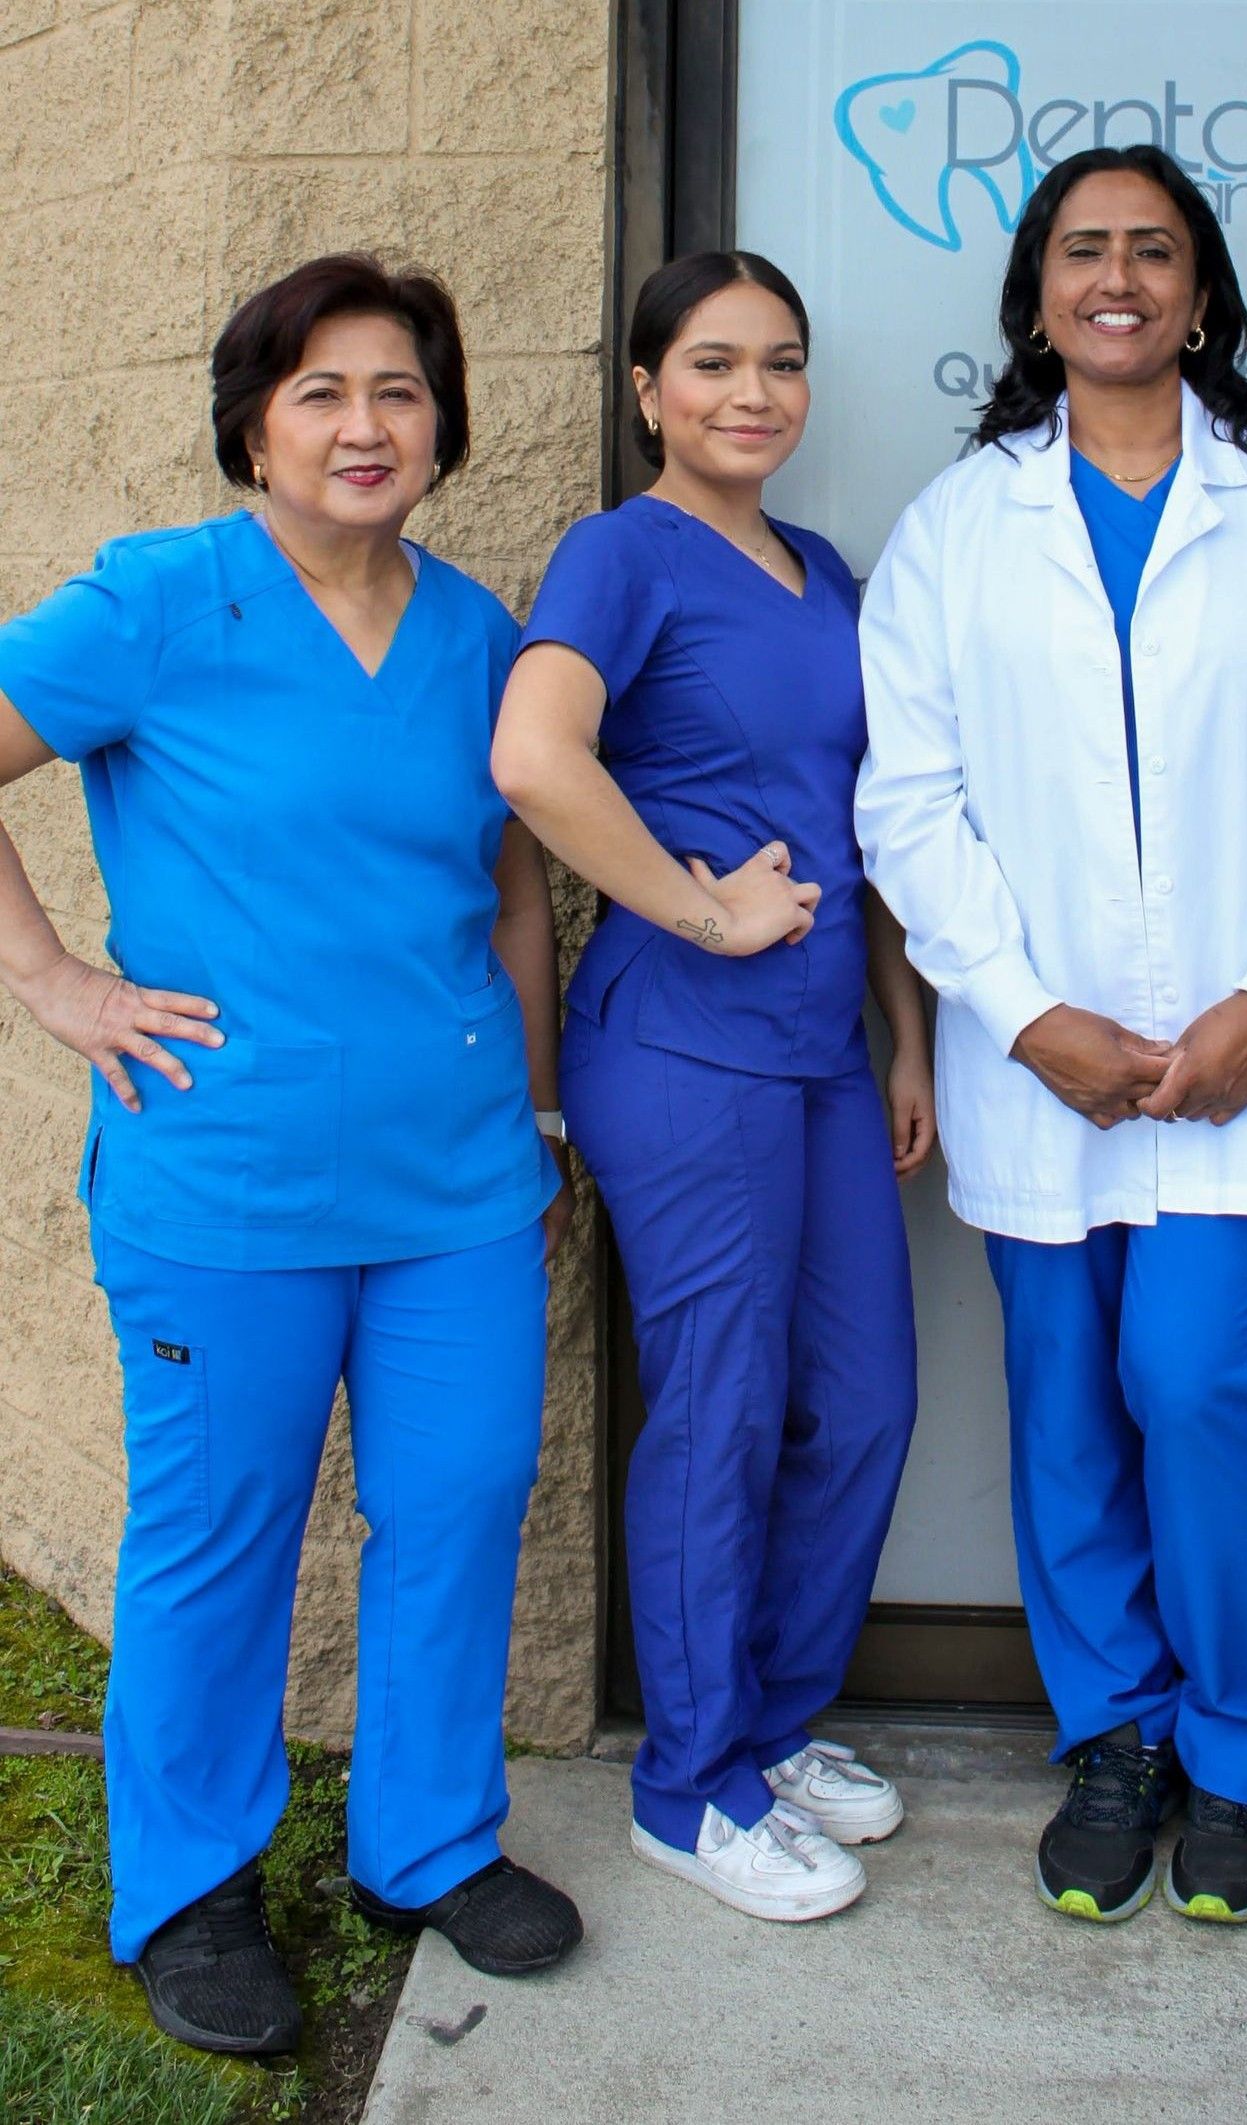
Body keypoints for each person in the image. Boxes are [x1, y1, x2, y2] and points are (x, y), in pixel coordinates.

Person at [0, 255, 584, 2056]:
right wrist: (54, 982)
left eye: (399, 391)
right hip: (225, 1179)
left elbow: (509, 887)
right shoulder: (160, 605)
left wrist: (541, 1106)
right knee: (220, 1531)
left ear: (443, 424)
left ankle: (426, 1841)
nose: (364, 424)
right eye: (323, 390)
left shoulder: (480, 633)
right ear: (255, 419)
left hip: (458, 1184)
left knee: (464, 1499)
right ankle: (185, 1885)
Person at [855, 144, 1247, 1926]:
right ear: (1036, 291)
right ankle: (1117, 1734)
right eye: (1084, 250)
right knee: (1063, 1407)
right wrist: (1026, 1019)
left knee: (1195, 1382)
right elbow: (909, 801)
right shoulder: (960, 526)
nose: (1119, 277)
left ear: (1202, 291)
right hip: (1047, 1063)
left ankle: (1245, 1750)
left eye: (1155, 251)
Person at [491, 251, 932, 1925]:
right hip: (678, 1050)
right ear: (648, 389)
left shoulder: (825, 569)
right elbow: (535, 756)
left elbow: (860, 825)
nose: (753, 393)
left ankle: (769, 1718)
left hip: (824, 1055)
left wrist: (906, 1031)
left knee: (867, 1400)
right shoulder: (621, 553)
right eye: (715, 363)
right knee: (726, 1408)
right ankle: (689, 1786)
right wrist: (696, 902)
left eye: (784, 363)